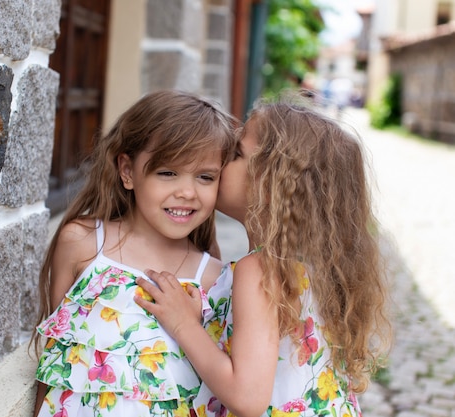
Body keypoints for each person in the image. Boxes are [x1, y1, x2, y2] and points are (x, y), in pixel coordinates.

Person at [135, 98, 391, 417]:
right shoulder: (323, 266)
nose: (222, 159)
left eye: (237, 154)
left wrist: (183, 324)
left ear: (271, 185)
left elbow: (247, 398)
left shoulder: (260, 270)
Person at [30, 89, 239, 417]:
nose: (187, 192)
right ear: (127, 171)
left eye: (205, 177)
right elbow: (55, 358)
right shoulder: (84, 244)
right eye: (167, 172)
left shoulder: (214, 279)